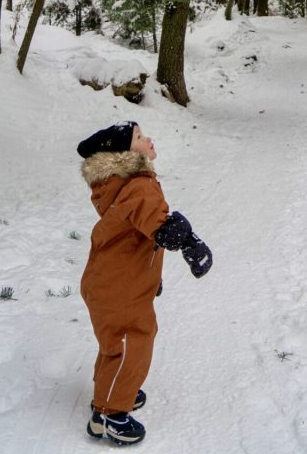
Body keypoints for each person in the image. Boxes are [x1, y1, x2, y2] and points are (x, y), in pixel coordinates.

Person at [77, 120, 212, 446]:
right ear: (124, 154)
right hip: (118, 287)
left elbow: (138, 235)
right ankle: (108, 415)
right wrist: (191, 241)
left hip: (117, 282)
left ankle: (114, 391)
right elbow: (160, 228)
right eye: (138, 137)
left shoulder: (120, 183)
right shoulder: (137, 186)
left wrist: (151, 278)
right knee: (129, 344)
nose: (147, 138)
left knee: (118, 343)